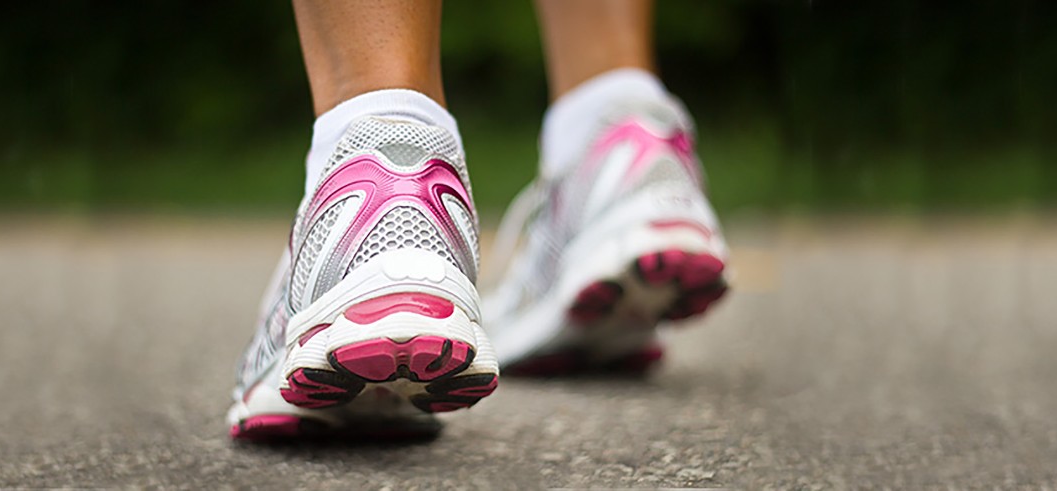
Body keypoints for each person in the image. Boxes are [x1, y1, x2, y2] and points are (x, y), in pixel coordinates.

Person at [227, 0, 730, 440]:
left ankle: (374, 162)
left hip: (363, 226)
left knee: (377, 104)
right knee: (606, 92)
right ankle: (621, 146)